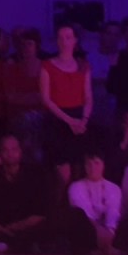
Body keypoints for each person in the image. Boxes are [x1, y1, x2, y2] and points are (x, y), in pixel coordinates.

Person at [40, 24, 93, 180]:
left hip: (79, 118)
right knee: (61, 172)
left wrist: (83, 120)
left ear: (75, 40)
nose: (64, 41)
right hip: (56, 119)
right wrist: (69, 120)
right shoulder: (47, 65)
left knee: (79, 168)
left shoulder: (83, 65)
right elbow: (46, 99)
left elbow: (89, 97)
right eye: (60, 37)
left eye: (68, 37)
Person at [67, 154, 121, 255]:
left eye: (96, 163)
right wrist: (98, 231)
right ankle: (101, 251)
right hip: (90, 231)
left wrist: (110, 231)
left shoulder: (114, 188)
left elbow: (113, 211)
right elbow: (83, 212)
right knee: (77, 214)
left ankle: (107, 249)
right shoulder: (76, 187)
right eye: (89, 164)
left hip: (110, 233)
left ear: (103, 165)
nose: (93, 168)